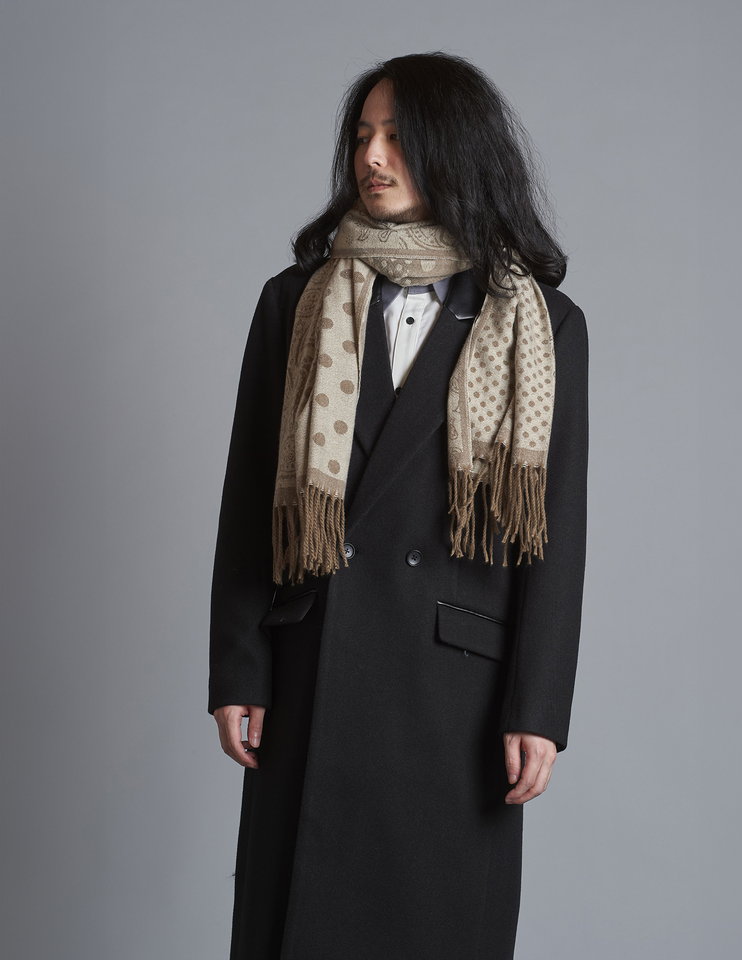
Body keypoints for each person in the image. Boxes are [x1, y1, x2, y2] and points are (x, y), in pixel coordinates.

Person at [208, 51, 589, 960]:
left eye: (397, 136)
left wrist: (539, 704)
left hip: (454, 688)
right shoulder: (296, 301)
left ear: (457, 150)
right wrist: (238, 670)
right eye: (363, 135)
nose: (371, 156)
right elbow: (250, 495)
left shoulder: (540, 322)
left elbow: (556, 531)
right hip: (314, 668)